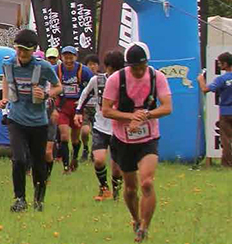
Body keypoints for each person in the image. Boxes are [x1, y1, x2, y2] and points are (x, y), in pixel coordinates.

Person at [102, 42, 172, 243]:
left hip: (148, 139)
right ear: (128, 66)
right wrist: (130, 117)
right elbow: (106, 110)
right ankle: (135, 218)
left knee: (147, 182)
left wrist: (145, 115)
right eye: (135, 68)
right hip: (123, 140)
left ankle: (144, 227)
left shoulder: (157, 77)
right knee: (131, 188)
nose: (139, 71)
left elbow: (167, 107)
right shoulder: (116, 80)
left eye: (142, 67)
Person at [0, 29, 62, 212]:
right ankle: (19, 198)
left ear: (33, 50)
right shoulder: (9, 63)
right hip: (16, 119)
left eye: (25, 50)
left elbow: (58, 87)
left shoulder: (43, 67)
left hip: (38, 122)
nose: (21, 54)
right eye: (18, 49)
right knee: (18, 159)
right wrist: (5, 97)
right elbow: (5, 79)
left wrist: (46, 94)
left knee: (38, 161)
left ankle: (38, 199)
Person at [75, 50, 124, 201]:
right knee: (99, 159)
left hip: (119, 128)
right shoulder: (97, 80)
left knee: (117, 167)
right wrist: (78, 111)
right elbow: (85, 94)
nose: (114, 73)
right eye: (111, 69)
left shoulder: (126, 82)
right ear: (106, 67)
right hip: (101, 125)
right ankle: (104, 188)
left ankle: (116, 192)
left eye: (117, 69)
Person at [55, 45, 93, 173]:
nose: (68, 61)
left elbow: (92, 88)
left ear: (75, 57)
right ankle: (66, 167)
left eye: (71, 58)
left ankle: (74, 158)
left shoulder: (84, 70)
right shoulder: (57, 70)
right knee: (64, 137)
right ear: (61, 57)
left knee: (75, 138)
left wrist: (83, 101)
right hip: (62, 106)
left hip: (77, 108)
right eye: (66, 58)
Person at [199, 52, 232, 167]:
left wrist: (200, 79)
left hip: (226, 112)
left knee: (226, 140)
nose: (218, 65)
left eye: (220, 63)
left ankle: (228, 164)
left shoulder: (222, 79)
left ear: (226, 64)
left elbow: (205, 89)